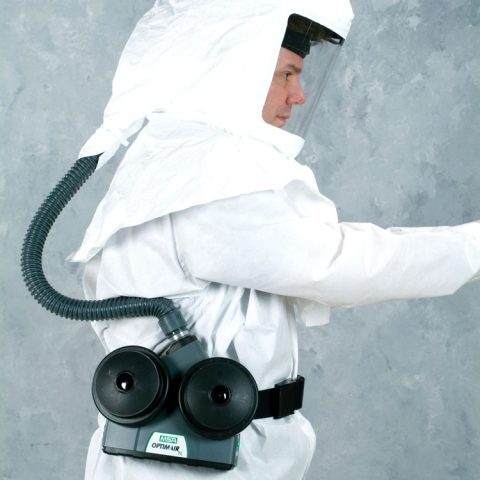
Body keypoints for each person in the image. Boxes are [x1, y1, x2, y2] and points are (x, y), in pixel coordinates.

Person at [71, 1, 480, 479]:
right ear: (234, 68)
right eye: (286, 74)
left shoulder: (179, 165)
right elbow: (336, 264)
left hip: (206, 448)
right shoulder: (206, 181)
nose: (298, 95)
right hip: (190, 459)